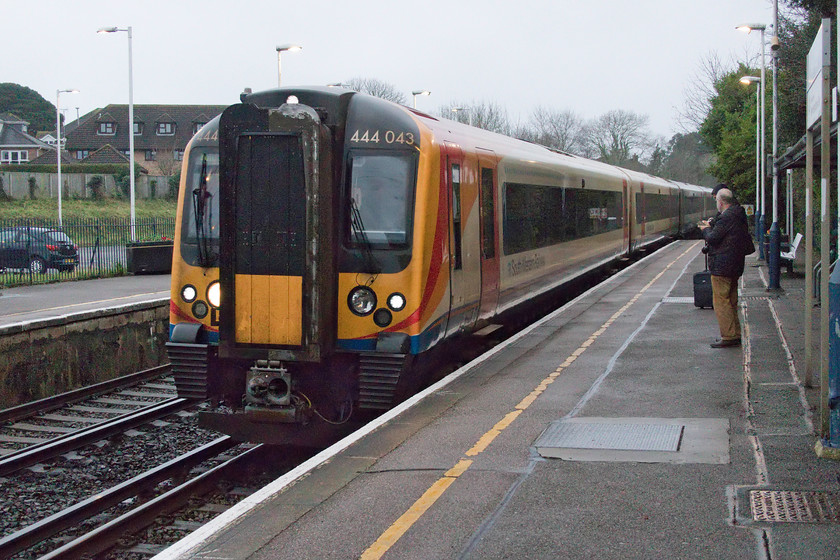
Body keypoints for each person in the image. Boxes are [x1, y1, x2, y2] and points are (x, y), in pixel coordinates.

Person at [698, 188, 752, 348]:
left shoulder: (726, 217)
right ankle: (735, 333)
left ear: (721, 202)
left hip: (722, 266)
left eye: (717, 202)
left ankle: (728, 336)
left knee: (721, 301)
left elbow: (713, 238)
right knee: (732, 299)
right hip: (735, 264)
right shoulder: (738, 215)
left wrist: (705, 228)